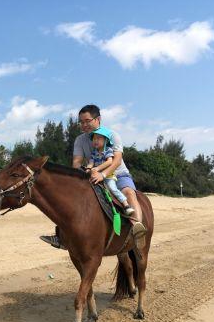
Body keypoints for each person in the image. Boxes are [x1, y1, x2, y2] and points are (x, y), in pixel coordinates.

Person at [40, 104, 147, 250]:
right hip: (91, 174)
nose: (84, 125)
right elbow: (77, 163)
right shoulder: (80, 140)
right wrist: (83, 173)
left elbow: (116, 160)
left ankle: (137, 231)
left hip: (117, 173)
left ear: (98, 120)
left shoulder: (112, 135)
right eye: (81, 122)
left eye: (87, 121)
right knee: (68, 198)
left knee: (128, 192)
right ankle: (62, 236)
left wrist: (103, 174)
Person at [85, 127, 134, 216]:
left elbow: (109, 161)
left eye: (99, 138)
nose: (96, 140)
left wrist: (98, 168)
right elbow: (91, 162)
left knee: (112, 188)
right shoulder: (94, 153)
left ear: (105, 140)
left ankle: (126, 205)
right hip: (97, 176)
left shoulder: (108, 150)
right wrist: (88, 168)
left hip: (108, 176)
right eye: (94, 138)